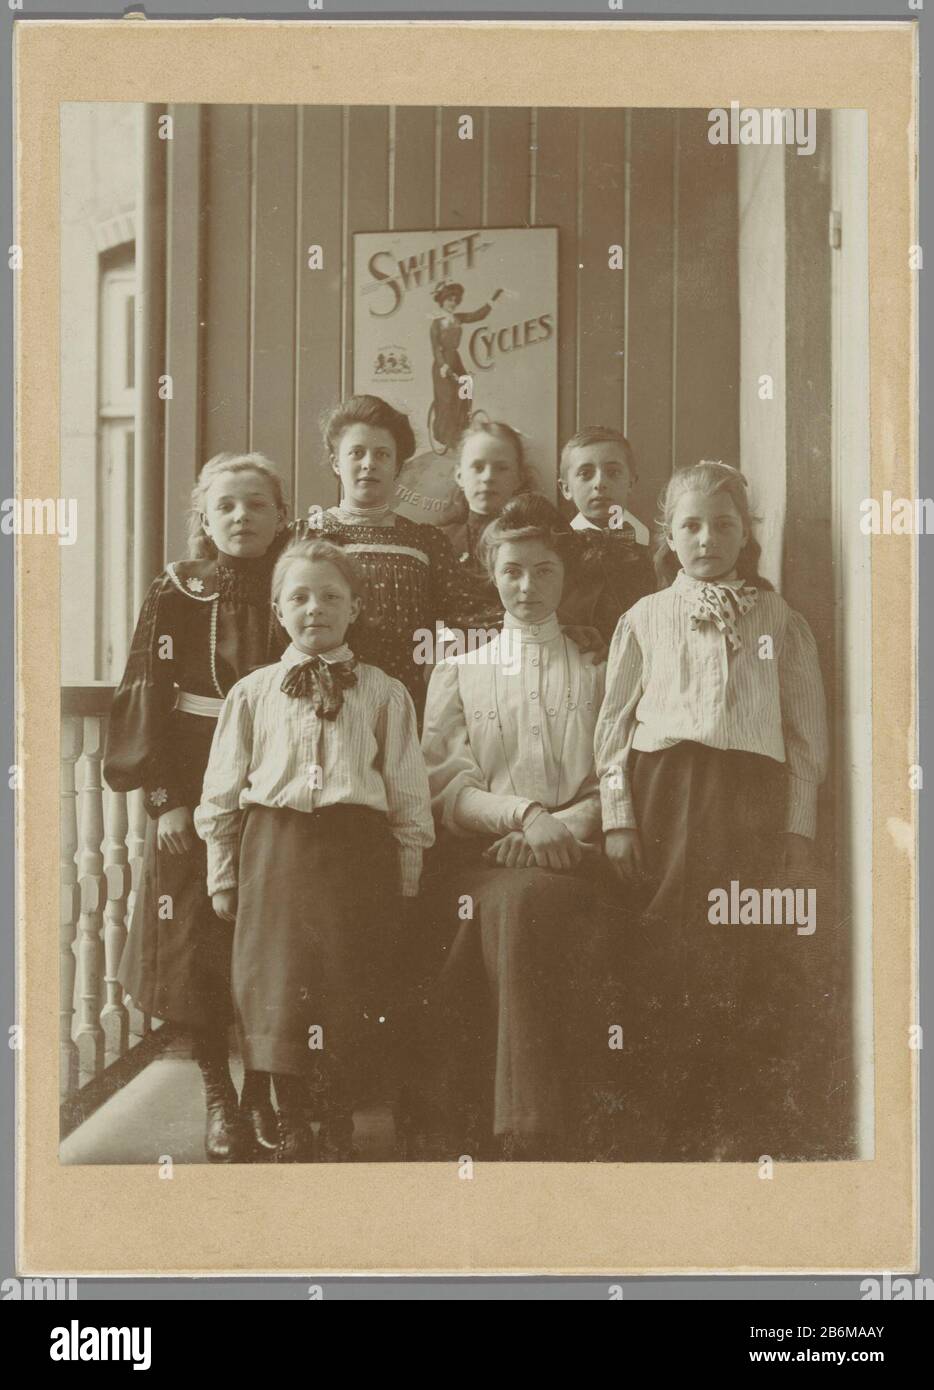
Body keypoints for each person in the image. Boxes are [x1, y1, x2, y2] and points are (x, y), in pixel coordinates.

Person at [595, 461, 829, 1161]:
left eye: (723, 524)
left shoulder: (777, 618)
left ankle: (734, 1117)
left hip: (748, 799)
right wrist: (617, 817)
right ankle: (663, 1114)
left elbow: (803, 731)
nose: (706, 538)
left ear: (746, 533)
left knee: (739, 945)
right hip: (667, 790)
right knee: (669, 941)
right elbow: (611, 727)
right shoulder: (645, 617)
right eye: (691, 525)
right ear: (668, 532)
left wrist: (797, 827)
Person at [195, 539, 434, 1162]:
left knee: (344, 984)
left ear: (355, 608)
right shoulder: (250, 693)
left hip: (356, 858)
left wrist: (407, 874)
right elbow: (221, 794)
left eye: (331, 596)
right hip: (274, 854)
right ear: (277, 611)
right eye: (298, 596)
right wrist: (223, 874)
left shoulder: (385, 693)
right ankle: (290, 1117)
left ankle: (335, 1119)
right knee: (278, 986)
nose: (315, 608)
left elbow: (408, 791)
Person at [103, 452, 290, 1162]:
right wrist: (165, 801)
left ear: (280, 514)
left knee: (269, 942)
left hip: (274, 785)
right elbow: (146, 691)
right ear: (204, 520)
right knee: (197, 950)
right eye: (226, 507)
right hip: (191, 776)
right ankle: (219, 1096)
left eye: (257, 504)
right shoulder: (178, 590)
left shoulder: (297, 582)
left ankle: (265, 1093)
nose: (242, 517)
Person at [419, 494, 616, 1160]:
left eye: (544, 571)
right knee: (507, 902)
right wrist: (525, 817)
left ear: (567, 576)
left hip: (578, 855)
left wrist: (558, 828)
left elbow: (614, 776)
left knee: (523, 904)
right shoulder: (461, 669)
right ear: (490, 573)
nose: (527, 586)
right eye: (512, 571)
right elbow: (447, 785)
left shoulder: (599, 667)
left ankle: (526, 1128)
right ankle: (524, 1123)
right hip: (482, 856)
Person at [298, 394, 497, 718]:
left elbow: (474, 619)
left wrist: (547, 630)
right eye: (356, 453)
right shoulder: (308, 535)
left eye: (382, 454)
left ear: (398, 467)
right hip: (323, 702)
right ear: (336, 462)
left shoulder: (424, 543)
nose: (369, 463)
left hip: (403, 705)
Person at [558, 425, 656, 642]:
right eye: (585, 474)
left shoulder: (655, 546)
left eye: (613, 473)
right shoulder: (556, 550)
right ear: (566, 489)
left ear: (631, 482)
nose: (600, 483)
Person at [429, 281, 503, 451]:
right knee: (448, 399)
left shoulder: (458, 318)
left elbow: (478, 315)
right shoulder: (436, 323)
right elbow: (435, 347)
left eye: (455, 300)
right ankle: (445, 436)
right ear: (442, 300)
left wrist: (494, 298)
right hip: (442, 364)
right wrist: (443, 365)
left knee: (466, 388)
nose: (453, 303)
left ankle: (461, 431)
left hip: (455, 358)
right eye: (449, 299)